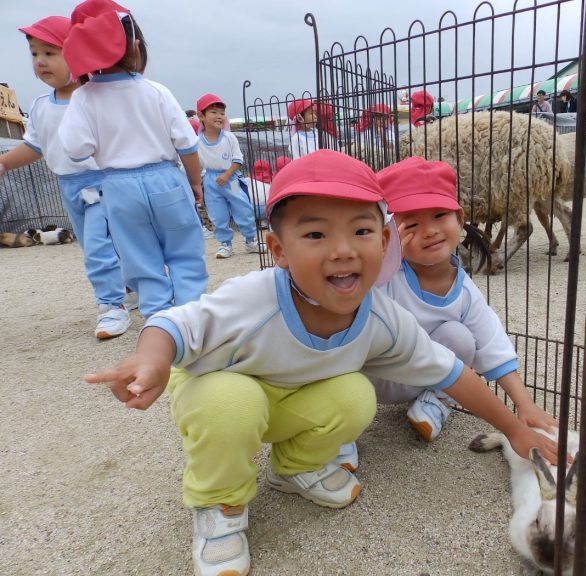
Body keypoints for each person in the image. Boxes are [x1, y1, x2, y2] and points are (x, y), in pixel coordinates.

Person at [85, 149, 560, 576]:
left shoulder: (382, 318)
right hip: (220, 394)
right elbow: (176, 323)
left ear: (383, 244)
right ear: (279, 252)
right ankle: (219, 505)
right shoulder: (254, 298)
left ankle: (292, 468)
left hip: (291, 404)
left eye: (361, 231)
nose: (343, 249)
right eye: (315, 233)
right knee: (234, 402)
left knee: (355, 397)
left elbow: (453, 372)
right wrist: (151, 358)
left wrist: (515, 427)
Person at [334, 157, 559, 469]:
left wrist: (525, 405)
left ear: (460, 217)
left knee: (461, 337)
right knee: (342, 358)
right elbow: (347, 304)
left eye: (439, 215)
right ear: (387, 234)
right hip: (372, 377)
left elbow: (492, 343)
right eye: (410, 224)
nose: (429, 231)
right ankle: (337, 434)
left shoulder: (465, 291)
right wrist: (383, 261)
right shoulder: (385, 277)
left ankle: (435, 400)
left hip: (423, 374)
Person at [59, 0, 208, 319]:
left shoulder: (84, 98)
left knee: (139, 256)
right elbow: (187, 146)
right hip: (166, 178)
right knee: (184, 249)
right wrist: (195, 182)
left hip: (117, 185)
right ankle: (191, 311)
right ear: (136, 47)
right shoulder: (157, 92)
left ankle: (157, 317)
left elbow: (75, 148)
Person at [0, 15, 132, 340]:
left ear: (77, 53)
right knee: (95, 246)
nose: (40, 62)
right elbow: (35, 147)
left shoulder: (96, 96)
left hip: (103, 183)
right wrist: (3, 163)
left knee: (103, 246)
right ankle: (131, 287)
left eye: (50, 52)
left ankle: (112, 306)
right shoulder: (41, 105)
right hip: (69, 187)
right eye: (34, 54)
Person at [196, 93, 260, 259]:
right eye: (214, 112)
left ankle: (250, 240)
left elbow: (238, 159)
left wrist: (227, 174)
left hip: (231, 179)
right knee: (217, 213)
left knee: (243, 208)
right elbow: (197, 165)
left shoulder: (229, 138)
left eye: (222, 113)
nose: (219, 116)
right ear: (201, 116)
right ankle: (225, 244)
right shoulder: (197, 142)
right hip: (211, 181)